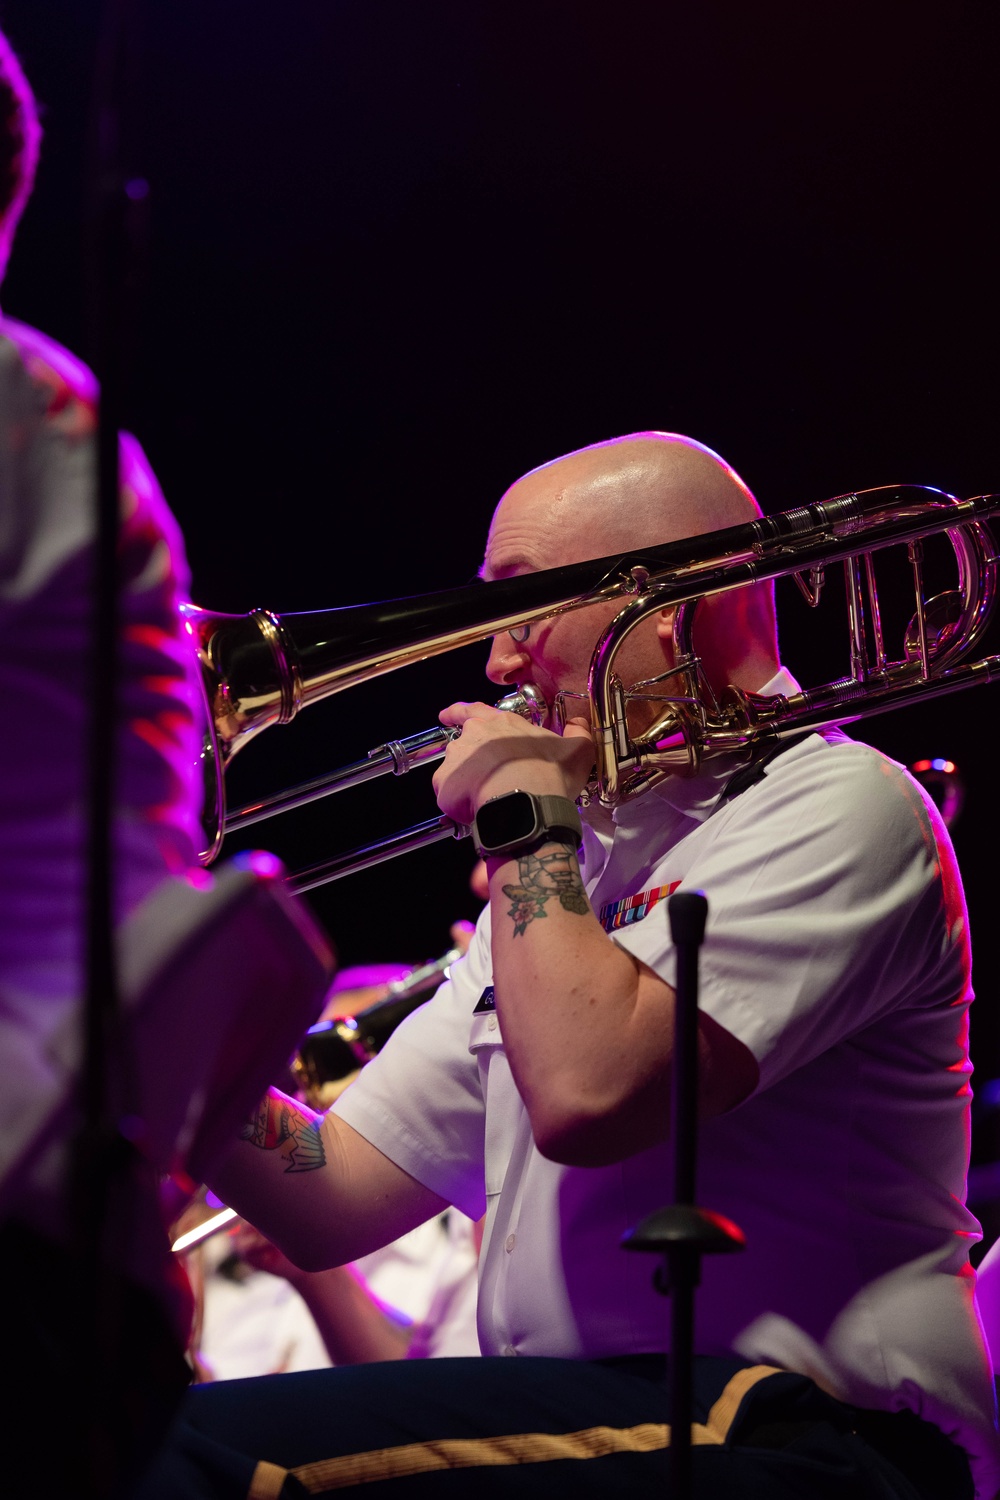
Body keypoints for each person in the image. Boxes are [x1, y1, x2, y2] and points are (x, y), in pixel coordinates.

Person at [138, 433, 998, 1498]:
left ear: (678, 603)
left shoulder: (840, 805)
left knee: (181, 1459)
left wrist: (525, 827)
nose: (496, 663)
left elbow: (593, 1093)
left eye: (520, 611)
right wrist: (135, 1020)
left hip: (808, 1436)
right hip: (606, 1425)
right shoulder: (573, 868)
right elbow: (331, 1197)